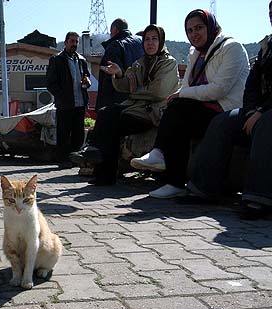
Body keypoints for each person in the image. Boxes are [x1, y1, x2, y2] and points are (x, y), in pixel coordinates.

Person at [130, 9, 250, 199]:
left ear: (210, 27)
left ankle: (164, 163)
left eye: (199, 28)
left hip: (225, 109)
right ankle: (171, 177)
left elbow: (219, 89)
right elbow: (186, 86)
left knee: (178, 109)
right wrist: (181, 95)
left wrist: (182, 94)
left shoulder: (232, 48)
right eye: (190, 30)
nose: (194, 34)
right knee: (176, 112)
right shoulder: (195, 53)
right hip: (201, 108)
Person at [185, 1, 272, 219]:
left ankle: (258, 197)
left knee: (265, 125)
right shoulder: (267, 48)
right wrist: (252, 111)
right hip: (259, 109)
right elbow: (251, 86)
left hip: (268, 112)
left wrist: (262, 112)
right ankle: (204, 188)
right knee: (222, 122)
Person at [70, 24, 180, 186]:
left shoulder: (168, 63)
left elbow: (158, 92)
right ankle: (101, 169)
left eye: (154, 39)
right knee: (106, 112)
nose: (150, 43)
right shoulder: (140, 63)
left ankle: (97, 158)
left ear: (161, 41)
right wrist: (119, 73)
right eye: (147, 39)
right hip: (136, 109)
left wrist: (134, 92)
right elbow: (126, 84)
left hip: (152, 112)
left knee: (113, 122)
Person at [46, 31, 91, 168]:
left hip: (80, 103)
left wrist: (86, 82)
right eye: (72, 41)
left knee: (78, 133)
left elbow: (86, 76)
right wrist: (61, 96)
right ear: (65, 43)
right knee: (63, 133)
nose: (74, 44)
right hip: (65, 104)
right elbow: (50, 83)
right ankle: (63, 159)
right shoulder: (57, 60)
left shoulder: (81, 60)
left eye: (76, 42)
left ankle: (75, 158)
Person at [95, 18, 143, 111]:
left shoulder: (115, 45)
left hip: (118, 102)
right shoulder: (140, 42)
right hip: (139, 100)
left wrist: (103, 106)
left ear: (115, 29)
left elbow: (109, 78)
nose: (110, 34)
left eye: (110, 31)